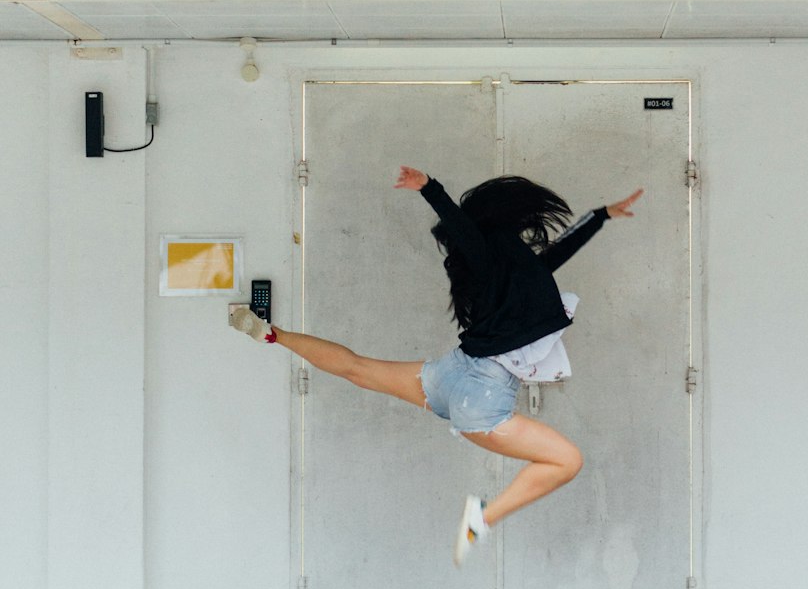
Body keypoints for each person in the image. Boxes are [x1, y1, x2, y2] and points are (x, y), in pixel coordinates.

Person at [230, 166, 643, 566]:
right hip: (483, 394)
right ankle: (481, 520)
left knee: (356, 368)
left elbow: (558, 250)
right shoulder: (494, 257)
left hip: (451, 375)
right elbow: (469, 232)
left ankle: (273, 335)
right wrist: (431, 188)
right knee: (567, 462)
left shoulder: (516, 267)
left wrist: (601, 216)